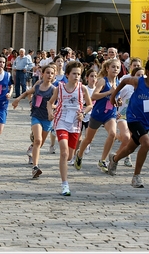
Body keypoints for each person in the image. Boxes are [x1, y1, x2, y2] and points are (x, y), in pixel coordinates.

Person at [108, 58, 149, 188]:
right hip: (133, 118)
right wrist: (113, 96)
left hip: (147, 122)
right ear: (147, 71)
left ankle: (114, 159)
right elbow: (124, 81)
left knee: (130, 148)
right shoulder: (138, 82)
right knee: (146, 143)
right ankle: (136, 177)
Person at [47, 61, 93, 196]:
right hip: (61, 121)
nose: (76, 76)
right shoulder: (59, 88)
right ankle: (64, 184)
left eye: (79, 74)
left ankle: (77, 156)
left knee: (70, 156)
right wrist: (50, 112)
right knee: (64, 153)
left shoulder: (82, 89)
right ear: (67, 75)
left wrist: (83, 113)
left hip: (75, 123)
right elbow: (50, 102)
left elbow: (90, 105)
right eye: (74, 74)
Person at [73, 58, 121, 173]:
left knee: (113, 134)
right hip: (98, 114)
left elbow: (116, 98)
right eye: (113, 67)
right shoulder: (103, 81)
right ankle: (79, 155)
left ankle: (102, 160)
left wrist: (118, 101)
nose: (115, 69)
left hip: (110, 114)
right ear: (107, 68)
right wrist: (109, 92)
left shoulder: (118, 82)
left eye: (117, 67)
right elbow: (94, 96)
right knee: (89, 139)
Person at [12, 64, 57, 178]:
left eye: (51, 73)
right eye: (47, 72)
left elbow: (58, 104)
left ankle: (32, 149)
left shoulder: (54, 89)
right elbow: (28, 93)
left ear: (54, 76)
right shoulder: (37, 86)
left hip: (47, 118)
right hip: (36, 115)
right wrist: (17, 99)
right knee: (38, 140)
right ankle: (35, 167)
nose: (49, 75)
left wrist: (52, 109)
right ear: (42, 74)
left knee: (39, 143)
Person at [115, 66, 145, 168]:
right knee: (126, 137)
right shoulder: (127, 88)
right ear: (133, 76)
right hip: (123, 115)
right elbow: (116, 97)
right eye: (138, 75)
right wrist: (116, 106)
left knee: (132, 139)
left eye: (142, 75)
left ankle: (126, 156)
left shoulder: (144, 89)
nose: (140, 77)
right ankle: (116, 155)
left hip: (135, 117)